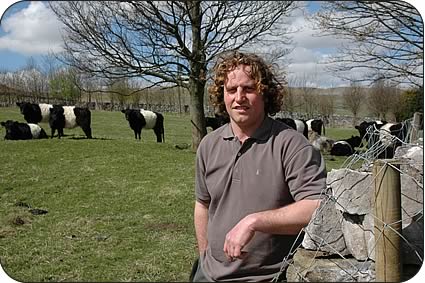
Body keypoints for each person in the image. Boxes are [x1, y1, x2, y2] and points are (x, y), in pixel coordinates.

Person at [192, 50, 327, 282]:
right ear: (222, 95)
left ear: (265, 93)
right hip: (209, 275)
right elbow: (202, 204)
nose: (239, 97)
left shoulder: (292, 144)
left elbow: (317, 206)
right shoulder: (209, 144)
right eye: (231, 90)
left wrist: (254, 221)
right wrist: (204, 256)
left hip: (266, 277)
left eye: (249, 89)